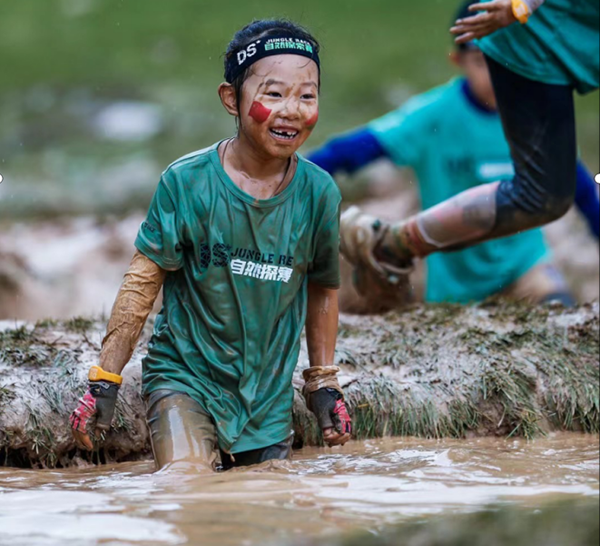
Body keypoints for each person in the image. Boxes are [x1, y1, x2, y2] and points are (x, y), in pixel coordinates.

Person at [69, 19, 352, 472]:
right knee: (187, 486)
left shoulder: (319, 193)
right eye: (274, 94)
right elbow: (142, 281)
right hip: (185, 380)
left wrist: (323, 381)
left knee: (266, 509)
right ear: (231, 100)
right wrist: (105, 379)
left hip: (266, 401)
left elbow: (323, 286)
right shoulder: (187, 182)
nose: (292, 111)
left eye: (307, 95)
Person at [308, 1, 598, 309]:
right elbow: (359, 148)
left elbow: (577, 184)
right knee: (543, 196)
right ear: (458, 60)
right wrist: (299, 172)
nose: (494, 73)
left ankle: (393, 243)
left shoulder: (535, 117)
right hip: (457, 282)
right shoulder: (436, 116)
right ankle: (393, 243)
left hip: (526, 267)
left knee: (560, 311)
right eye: (481, 61)